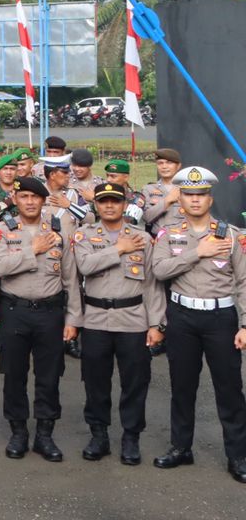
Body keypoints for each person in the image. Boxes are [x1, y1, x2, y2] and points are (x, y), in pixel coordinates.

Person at [149, 167, 246, 482]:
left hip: (221, 319)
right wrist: (197, 252)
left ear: (210, 198)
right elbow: (159, 270)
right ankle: (181, 447)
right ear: (181, 199)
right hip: (183, 318)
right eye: (188, 194)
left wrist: (245, 325)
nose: (194, 200)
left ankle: (238, 456)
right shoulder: (168, 234)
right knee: (182, 385)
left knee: (229, 389)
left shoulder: (230, 235)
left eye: (200, 194)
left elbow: (244, 283)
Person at [67, 179, 163, 466]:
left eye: (115, 201)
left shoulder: (143, 238)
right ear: (95, 205)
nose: (109, 206)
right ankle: (99, 435)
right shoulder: (84, 236)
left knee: (135, 382)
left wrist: (156, 324)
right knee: (96, 381)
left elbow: (153, 285)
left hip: (133, 320)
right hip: (95, 319)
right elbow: (83, 268)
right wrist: (118, 249)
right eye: (103, 201)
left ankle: (131, 437)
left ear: (124, 204)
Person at [0, 174, 70, 461]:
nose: (30, 201)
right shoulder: (1, 229)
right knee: (14, 373)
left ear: (43, 200)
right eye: (24, 196)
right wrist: (31, 250)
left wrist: (73, 319)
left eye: (35, 196)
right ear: (15, 199)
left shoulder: (58, 230)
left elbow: (70, 277)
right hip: (15, 311)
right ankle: (18, 432)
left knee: (49, 376)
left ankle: (45, 435)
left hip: (51, 311)